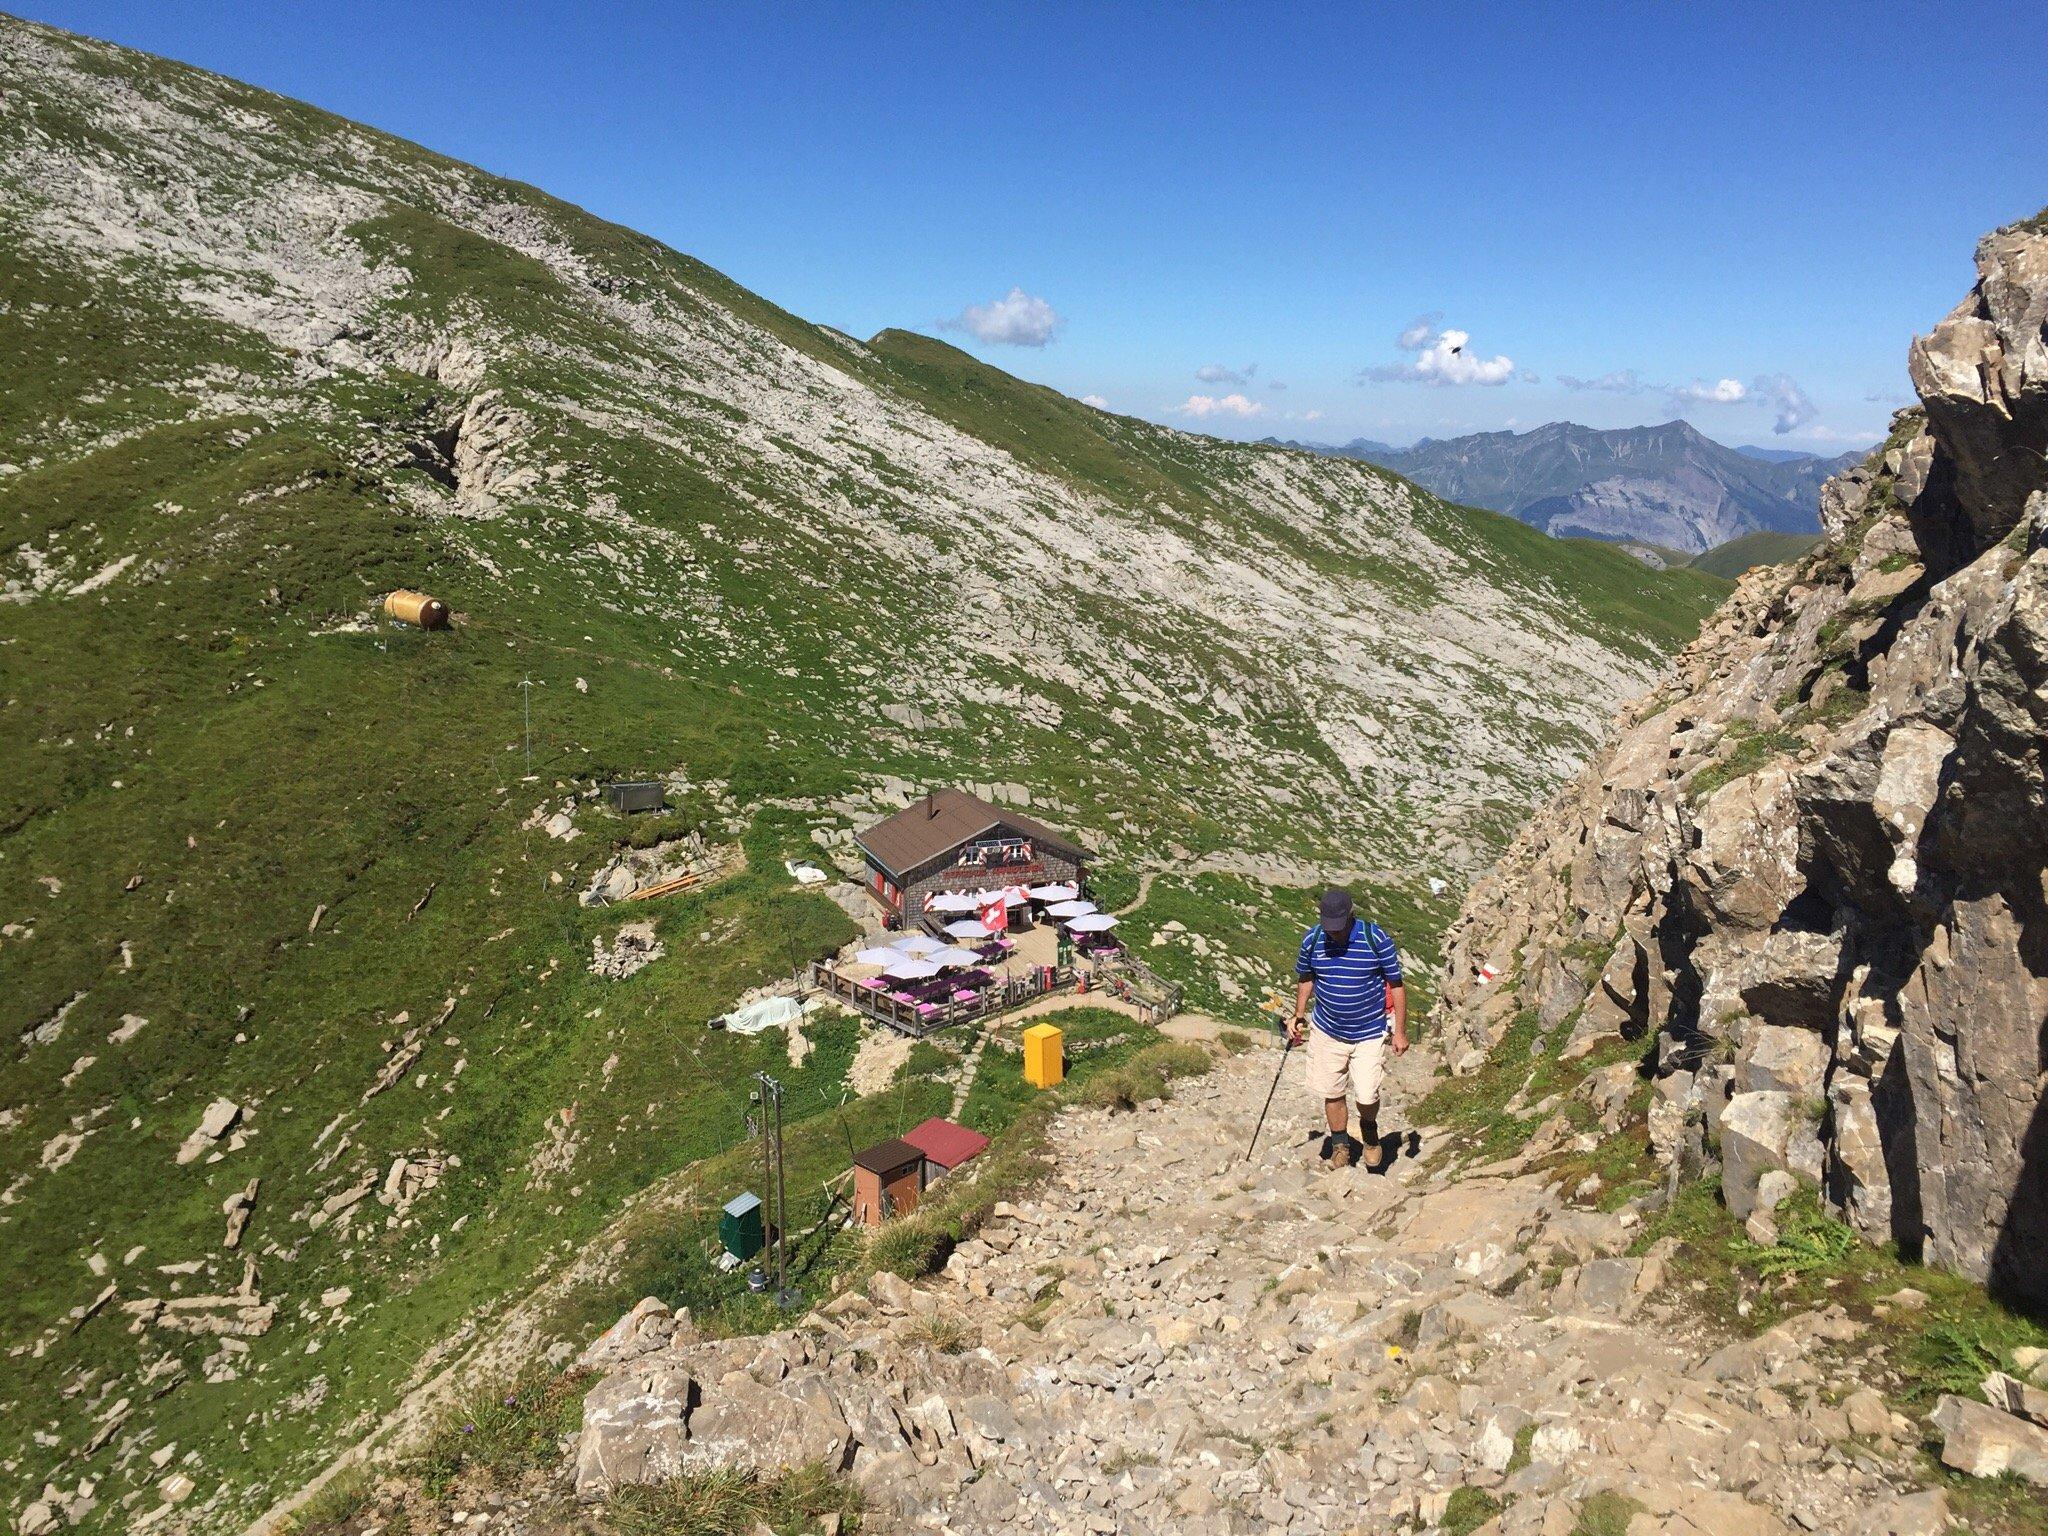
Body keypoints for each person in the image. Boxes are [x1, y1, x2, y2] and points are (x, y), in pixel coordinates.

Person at [1288, 888, 1407, 1169]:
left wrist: (1399, 1031)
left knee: (1367, 1094)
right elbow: (1306, 979)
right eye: (1330, 927)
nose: (1334, 934)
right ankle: (1340, 1145)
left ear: (1351, 916)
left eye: (1339, 928)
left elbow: (1397, 985)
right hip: (1328, 1029)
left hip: (1369, 1030)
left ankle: (1369, 1130)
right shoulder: (1312, 940)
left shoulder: (1375, 938)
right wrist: (1299, 1014)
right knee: (1332, 1090)